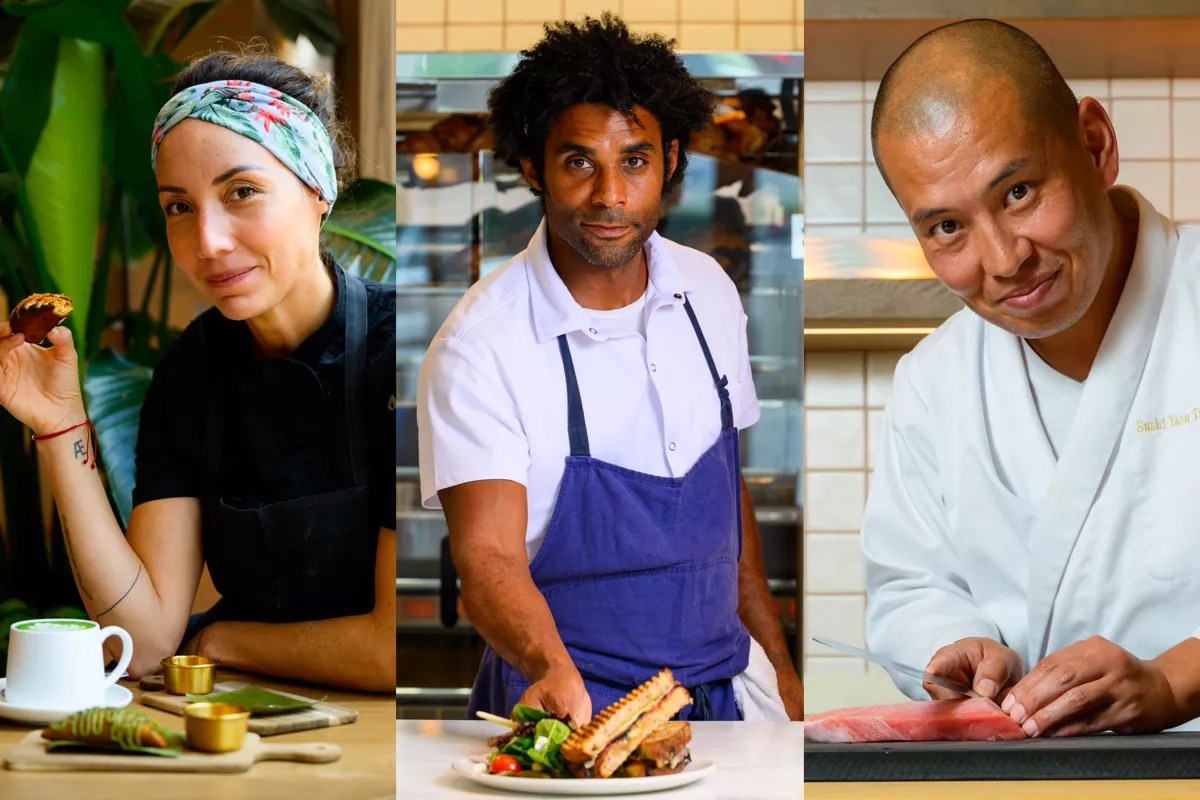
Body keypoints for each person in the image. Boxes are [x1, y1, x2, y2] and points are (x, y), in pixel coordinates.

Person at [417, 15, 802, 726]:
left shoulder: (708, 292)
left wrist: (779, 666)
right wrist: (551, 670)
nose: (610, 196)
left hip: (726, 695)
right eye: (579, 163)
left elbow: (728, 508)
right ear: (533, 167)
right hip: (572, 706)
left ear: (671, 160)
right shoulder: (481, 344)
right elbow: (487, 558)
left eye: (634, 161)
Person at [0, 50, 396, 692]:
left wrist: (218, 640)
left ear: (317, 190)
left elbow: (393, 650)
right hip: (244, 716)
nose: (208, 241)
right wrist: (59, 423)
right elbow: (143, 644)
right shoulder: (193, 371)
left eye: (242, 192)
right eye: (179, 207)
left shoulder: (404, 354)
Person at [862, 18, 1200, 737]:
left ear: (1096, 146)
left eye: (1018, 192)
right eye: (946, 228)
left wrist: (1177, 680)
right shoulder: (933, 381)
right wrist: (952, 645)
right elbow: (911, 586)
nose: (1004, 259)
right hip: (1030, 775)